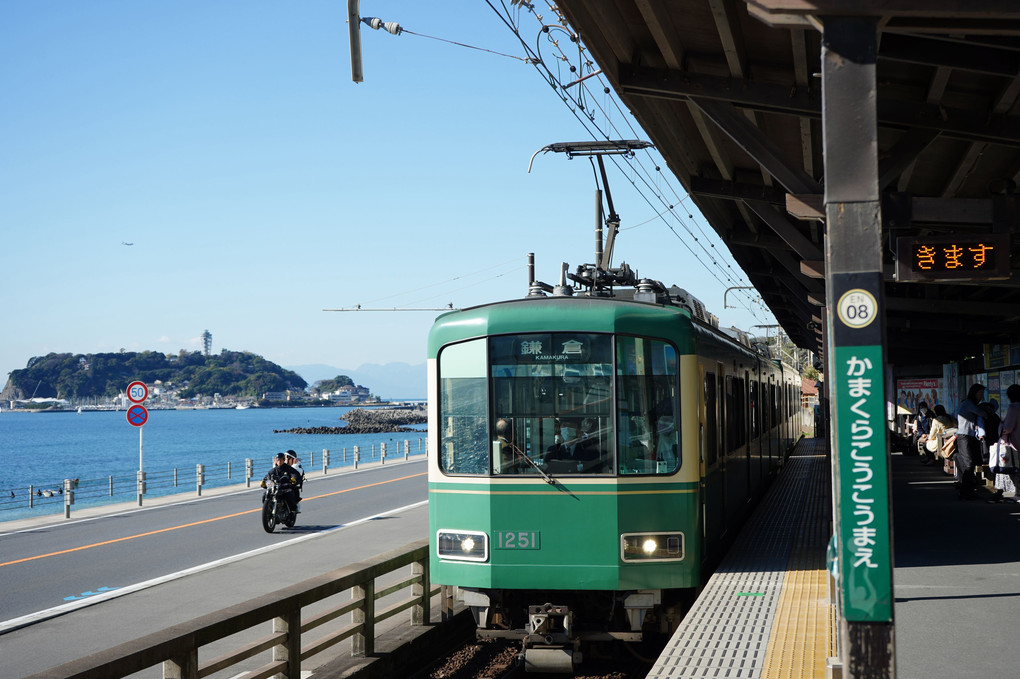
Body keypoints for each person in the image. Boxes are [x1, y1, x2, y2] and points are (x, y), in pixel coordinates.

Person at [956, 383, 986, 499]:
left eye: (982, 393)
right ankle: (965, 492)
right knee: (969, 464)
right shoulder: (968, 403)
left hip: (970, 436)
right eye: (980, 393)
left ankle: (968, 490)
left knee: (971, 463)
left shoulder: (972, 403)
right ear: (974, 393)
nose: (981, 396)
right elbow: (981, 413)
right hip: (964, 437)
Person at [992, 385, 1020, 503]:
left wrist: (1001, 425)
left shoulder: (1014, 408)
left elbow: (1007, 428)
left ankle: (1011, 492)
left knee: (1009, 466)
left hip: (1014, 443)